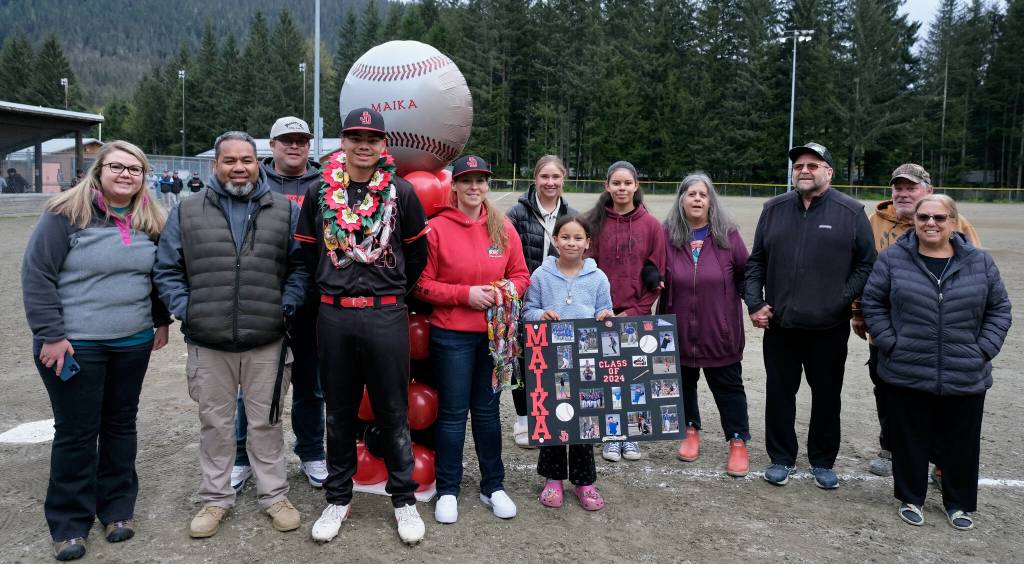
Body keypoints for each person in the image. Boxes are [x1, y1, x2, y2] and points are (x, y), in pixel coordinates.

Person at [154, 131, 307, 538]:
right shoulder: (187, 211)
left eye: (246, 160)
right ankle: (215, 499)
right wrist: (188, 309)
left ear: (258, 164)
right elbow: (167, 269)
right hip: (209, 342)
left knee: (266, 423)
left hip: (267, 339)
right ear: (215, 165)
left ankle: (274, 496)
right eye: (230, 160)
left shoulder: (284, 211)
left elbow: (300, 267)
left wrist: (286, 304)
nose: (239, 167)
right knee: (216, 424)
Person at [22, 141, 170, 561]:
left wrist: (160, 319)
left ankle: (117, 509)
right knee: (77, 432)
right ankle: (70, 523)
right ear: (98, 170)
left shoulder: (150, 219)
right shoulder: (65, 214)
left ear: (144, 177)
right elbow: (37, 275)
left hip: (132, 342)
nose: (126, 175)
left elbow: (157, 276)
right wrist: (51, 334)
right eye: (117, 167)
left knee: (121, 426)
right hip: (74, 345)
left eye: (135, 169)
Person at [293, 108, 429, 545]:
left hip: (385, 313)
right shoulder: (318, 192)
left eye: (372, 138)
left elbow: (417, 255)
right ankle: (338, 497)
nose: (363, 145)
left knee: (393, 410)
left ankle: (404, 499)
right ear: (343, 141)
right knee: (338, 411)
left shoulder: (401, 192)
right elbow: (307, 254)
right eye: (355, 137)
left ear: (383, 144)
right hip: (334, 314)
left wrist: (387, 291)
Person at [862, 194, 1010, 531]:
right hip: (907, 368)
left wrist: (983, 350)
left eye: (939, 218)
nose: (931, 223)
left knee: (961, 442)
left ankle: (958, 504)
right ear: (914, 221)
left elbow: (999, 309)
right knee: (909, 437)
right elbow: (873, 303)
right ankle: (910, 498)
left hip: (965, 370)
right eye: (923, 217)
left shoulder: (979, 262)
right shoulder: (893, 259)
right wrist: (891, 344)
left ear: (954, 222)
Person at [744, 143, 875, 489]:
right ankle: (781, 457)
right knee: (779, 394)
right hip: (781, 326)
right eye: (799, 165)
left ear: (828, 172)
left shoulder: (851, 212)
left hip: (828, 328)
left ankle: (822, 460)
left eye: (812, 165)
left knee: (827, 397)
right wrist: (755, 303)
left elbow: (866, 263)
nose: (804, 170)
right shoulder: (773, 209)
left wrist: (841, 299)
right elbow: (756, 262)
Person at [415, 154, 530, 525]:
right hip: (451, 336)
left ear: (487, 185)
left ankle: (492, 485)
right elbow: (421, 285)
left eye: (481, 180)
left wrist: (502, 291)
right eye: (467, 180)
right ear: (455, 186)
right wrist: (465, 295)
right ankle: (449, 488)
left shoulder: (502, 227)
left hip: (494, 337)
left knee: (487, 413)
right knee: (452, 414)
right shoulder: (436, 229)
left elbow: (522, 275)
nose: (474, 187)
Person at [852, 163, 982, 478]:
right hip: (886, 328)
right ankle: (891, 446)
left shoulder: (955, 223)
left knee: (941, 395)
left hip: (938, 330)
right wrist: (858, 311)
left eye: (911, 187)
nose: (903, 193)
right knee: (887, 390)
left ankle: (941, 457)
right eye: (898, 187)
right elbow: (862, 267)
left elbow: (976, 274)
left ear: (928, 190)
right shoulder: (875, 222)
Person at [231, 116, 327, 492]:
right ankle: (242, 456)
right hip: (264, 299)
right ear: (271, 145)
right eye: (286, 140)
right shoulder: (254, 182)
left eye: (301, 140)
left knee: (310, 386)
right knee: (253, 387)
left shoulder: (327, 184)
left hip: (314, 301)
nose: (294, 145)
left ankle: (312, 452)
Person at [658, 173, 751, 477]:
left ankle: (737, 439)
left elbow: (746, 275)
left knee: (729, 387)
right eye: (691, 194)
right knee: (683, 384)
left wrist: (754, 306)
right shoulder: (666, 235)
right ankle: (690, 429)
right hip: (677, 329)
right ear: (681, 200)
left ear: (711, 201)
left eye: (703, 194)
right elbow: (651, 270)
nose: (697, 199)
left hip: (719, 331)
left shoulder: (728, 235)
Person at [523, 214, 613, 511]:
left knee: (584, 420)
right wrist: (541, 315)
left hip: (585, 360)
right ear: (555, 240)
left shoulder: (598, 278)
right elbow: (528, 310)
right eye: (565, 237)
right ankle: (553, 478)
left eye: (578, 238)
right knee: (553, 417)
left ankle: (584, 481)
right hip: (551, 360)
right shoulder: (541, 275)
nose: (571, 243)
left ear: (587, 243)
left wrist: (605, 316)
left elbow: (606, 310)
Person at [583, 160, 665, 463]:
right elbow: (585, 272)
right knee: (606, 378)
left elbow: (656, 275)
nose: (621, 188)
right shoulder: (593, 223)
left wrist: (634, 311)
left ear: (636, 186)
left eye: (627, 183)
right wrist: (600, 311)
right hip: (601, 315)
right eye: (616, 183)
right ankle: (610, 433)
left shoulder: (652, 226)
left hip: (635, 315)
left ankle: (631, 435)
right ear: (607, 186)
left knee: (633, 378)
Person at [506, 155, 577, 447]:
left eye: (555, 177)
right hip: (524, 300)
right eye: (544, 177)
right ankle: (524, 420)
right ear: (535, 179)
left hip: (559, 302)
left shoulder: (571, 215)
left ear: (563, 179)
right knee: (522, 361)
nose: (550, 182)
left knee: (555, 361)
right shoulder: (516, 214)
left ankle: (554, 415)